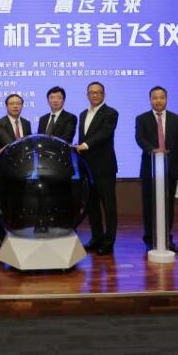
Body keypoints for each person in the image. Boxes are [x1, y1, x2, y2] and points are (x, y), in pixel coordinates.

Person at [135, 86, 178, 253]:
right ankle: (150, 239)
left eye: (161, 97)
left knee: (168, 206)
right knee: (149, 206)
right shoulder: (141, 118)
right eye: (155, 97)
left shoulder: (176, 119)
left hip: (171, 169)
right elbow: (140, 138)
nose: (158, 100)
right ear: (150, 100)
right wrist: (153, 150)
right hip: (150, 169)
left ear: (166, 99)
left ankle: (167, 239)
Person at [75, 81, 119, 256]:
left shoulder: (111, 113)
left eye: (98, 92)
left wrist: (85, 145)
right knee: (91, 205)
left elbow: (104, 134)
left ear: (104, 95)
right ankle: (96, 238)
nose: (94, 95)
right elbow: (83, 137)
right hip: (87, 167)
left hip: (104, 167)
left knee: (109, 206)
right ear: (87, 95)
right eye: (91, 92)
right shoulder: (83, 114)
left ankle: (109, 242)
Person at [0, 93, 31, 248]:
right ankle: (0, 240)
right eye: (12, 103)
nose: (15, 106)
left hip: (23, 172)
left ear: (22, 106)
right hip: (5, 171)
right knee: (2, 205)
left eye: (18, 103)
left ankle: (20, 237)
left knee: (20, 205)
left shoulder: (26, 123)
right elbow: (8, 142)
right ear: (6, 106)